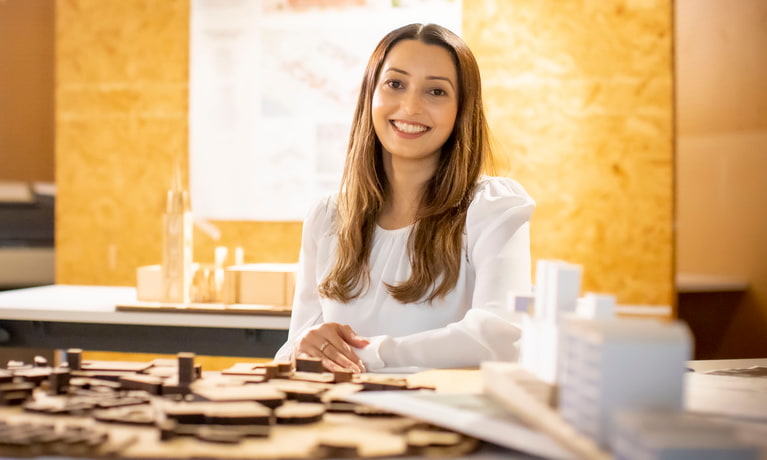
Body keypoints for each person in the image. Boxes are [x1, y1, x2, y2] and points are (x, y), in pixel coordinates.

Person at [274, 23, 535, 373]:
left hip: (438, 422)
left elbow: (499, 339)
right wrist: (302, 351)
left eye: (436, 92)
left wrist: (370, 353)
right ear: (370, 95)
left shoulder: (492, 207)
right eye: (395, 84)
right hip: (338, 421)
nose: (411, 106)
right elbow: (294, 348)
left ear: (462, 110)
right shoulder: (328, 217)